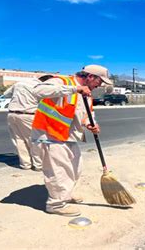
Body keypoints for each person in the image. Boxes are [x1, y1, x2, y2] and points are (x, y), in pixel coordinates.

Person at [31, 64, 113, 216]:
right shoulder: (63, 82)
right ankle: (56, 204)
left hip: (68, 136)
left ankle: (66, 194)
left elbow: (86, 114)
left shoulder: (87, 93)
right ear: (90, 77)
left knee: (76, 168)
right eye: (99, 81)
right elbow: (38, 91)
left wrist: (91, 124)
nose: (99, 85)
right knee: (59, 171)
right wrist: (75, 89)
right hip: (50, 134)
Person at [4, 74, 54, 171]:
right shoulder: (40, 87)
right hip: (28, 114)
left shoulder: (20, 83)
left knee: (19, 140)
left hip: (12, 114)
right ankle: (38, 165)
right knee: (35, 140)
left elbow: (6, 94)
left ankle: (25, 164)